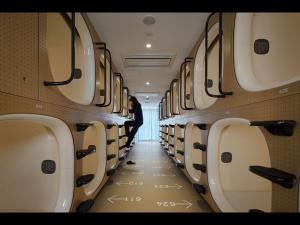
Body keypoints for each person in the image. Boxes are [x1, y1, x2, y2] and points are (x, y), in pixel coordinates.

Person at [124, 96, 143, 165]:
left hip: (138, 121)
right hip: (138, 121)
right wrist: (127, 109)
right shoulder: (136, 105)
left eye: (131, 101)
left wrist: (127, 109)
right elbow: (133, 111)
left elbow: (133, 111)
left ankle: (127, 139)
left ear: (133, 100)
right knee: (132, 133)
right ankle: (127, 144)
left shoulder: (138, 104)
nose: (130, 102)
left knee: (126, 123)